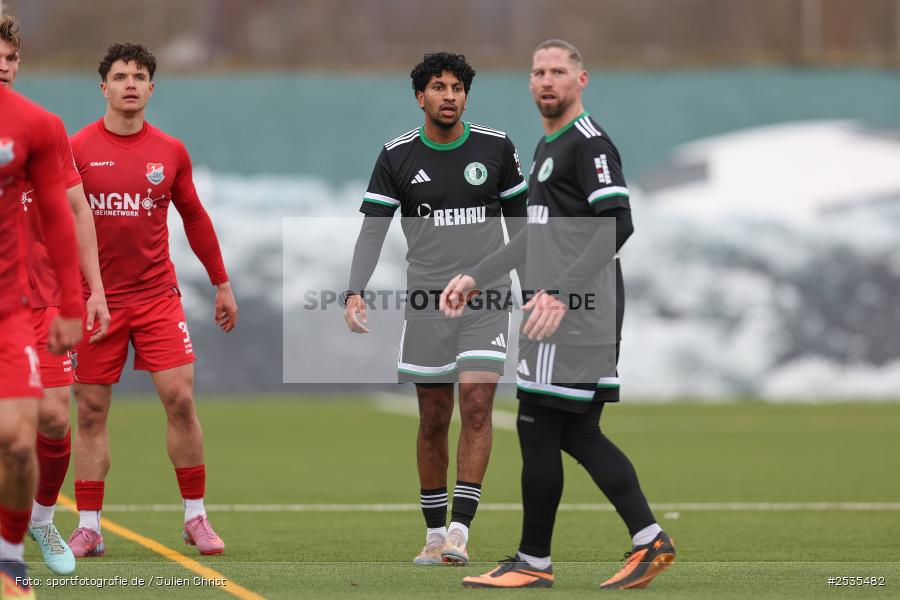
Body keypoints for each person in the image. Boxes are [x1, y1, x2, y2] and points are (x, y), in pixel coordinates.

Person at [441, 40, 676, 589]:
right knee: (577, 433)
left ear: (581, 80)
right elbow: (532, 239)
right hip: (571, 311)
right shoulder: (549, 147)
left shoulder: (587, 144)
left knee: (537, 427)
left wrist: (562, 293)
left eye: (558, 72)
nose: (546, 81)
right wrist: (477, 276)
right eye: (537, 72)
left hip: (571, 315)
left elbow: (618, 223)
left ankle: (533, 562)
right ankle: (649, 539)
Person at [344, 52, 528, 565]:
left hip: (487, 297)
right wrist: (354, 289)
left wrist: (534, 292)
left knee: (475, 402)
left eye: (458, 88)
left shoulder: (496, 147)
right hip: (426, 302)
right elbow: (374, 229)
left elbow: (522, 230)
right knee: (432, 417)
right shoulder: (397, 156)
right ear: (419, 96)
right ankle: (432, 532)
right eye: (439, 87)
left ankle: (459, 531)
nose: (449, 96)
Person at [66, 42, 237, 558]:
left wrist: (221, 281)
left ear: (151, 88)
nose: (130, 84)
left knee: (181, 399)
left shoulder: (169, 151)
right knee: (91, 410)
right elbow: (56, 221)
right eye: (120, 76)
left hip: (156, 296)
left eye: (139, 76)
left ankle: (196, 517)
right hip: (95, 300)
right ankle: (90, 526)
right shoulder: (74, 149)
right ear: (104, 88)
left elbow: (195, 217)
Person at [0, 13, 110, 577]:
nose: (4, 64)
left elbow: (73, 211)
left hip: (32, 303)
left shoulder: (38, 128)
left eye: (11, 56)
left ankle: (39, 520)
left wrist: (87, 292)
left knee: (50, 421)